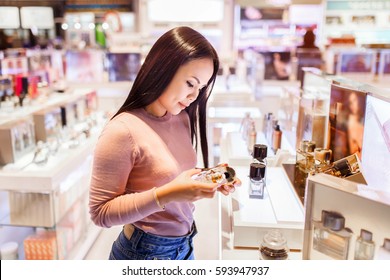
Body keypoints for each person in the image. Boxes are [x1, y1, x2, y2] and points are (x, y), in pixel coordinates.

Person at [89, 26, 241, 260]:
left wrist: (206, 179)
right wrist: (168, 194)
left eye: (200, 88)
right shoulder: (122, 130)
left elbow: (166, 172)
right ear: (162, 69)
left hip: (185, 245)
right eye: (190, 83)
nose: (194, 97)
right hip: (143, 252)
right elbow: (101, 213)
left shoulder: (181, 117)